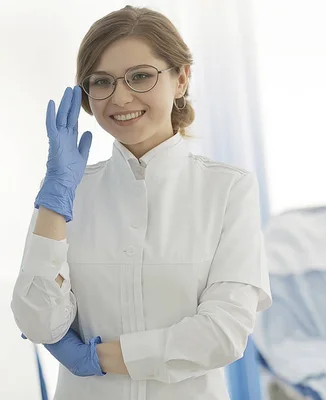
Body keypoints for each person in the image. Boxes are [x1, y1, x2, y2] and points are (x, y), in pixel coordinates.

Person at [11, 5, 271, 400]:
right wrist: (54, 196)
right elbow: (38, 322)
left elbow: (223, 333)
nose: (120, 96)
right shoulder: (67, 194)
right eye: (101, 82)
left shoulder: (228, 190)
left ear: (181, 79)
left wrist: (98, 357)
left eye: (141, 76)